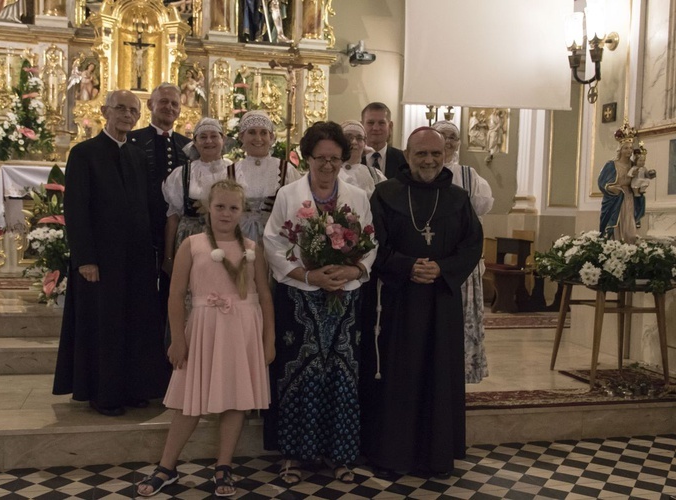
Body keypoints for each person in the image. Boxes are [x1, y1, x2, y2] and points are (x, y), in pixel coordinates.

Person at [137, 179, 275, 498]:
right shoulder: (193, 244)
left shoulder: (253, 249)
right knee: (189, 401)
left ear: (242, 211)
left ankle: (224, 465)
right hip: (203, 328)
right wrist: (178, 339)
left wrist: (269, 340)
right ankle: (167, 466)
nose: (226, 213)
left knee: (235, 399)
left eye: (233, 208)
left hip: (244, 331)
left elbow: (265, 295)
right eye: (220, 207)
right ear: (207, 208)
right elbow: (175, 294)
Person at [360, 127, 483, 477]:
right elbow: (373, 244)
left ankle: (436, 456)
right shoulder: (385, 194)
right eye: (421, 154)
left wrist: (441, 269)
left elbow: (472, 245)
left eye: (436, 154)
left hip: (442, 302)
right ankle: (392, 455)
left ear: (445, 156)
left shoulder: (458, 198)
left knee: (438, 376)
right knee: (400, 376)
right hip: (399, 301)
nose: (429, 161)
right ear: (408, 155)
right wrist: (407, 266)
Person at [263, 121, 376, 485]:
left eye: (335, 159)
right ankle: (294, 455)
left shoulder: (358, 197)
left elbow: (370, 244)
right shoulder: (288, 195)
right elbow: (274, 244)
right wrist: (310, 276)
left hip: (344, 299)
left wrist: (353, 270)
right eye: (320, 158)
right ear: (307, 157)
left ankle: (340, 455)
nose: (328, 166)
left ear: (344, 158)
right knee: (299, 375)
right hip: (300, 298)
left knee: (343, 375)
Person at [52, 90, 171, 416]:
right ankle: (103, 394)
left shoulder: (135, 155)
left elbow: (147, 207)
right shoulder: (84, 153)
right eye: (121, 109)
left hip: (136, 260)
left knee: (134, 324)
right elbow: (75, 209)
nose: (127, 115)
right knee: (105, 327)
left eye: (133, 111)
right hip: (101, 261)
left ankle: (133, 388)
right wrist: (85, 259)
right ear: (105, 111)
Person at [432, 120, 493, 384]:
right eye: (442, 135)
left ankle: (462, 370)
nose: (447, 141)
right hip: (432, 260)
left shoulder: (470, 176)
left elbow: (479, 212)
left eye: (453, 136)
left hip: (462, 264)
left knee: (462, 319)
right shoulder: (422, 171)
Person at [128, 83, 192, 334]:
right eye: (164, 102)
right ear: (150, 105)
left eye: (175, 103)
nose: (169, 107)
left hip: (177, 233)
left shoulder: (188, 146)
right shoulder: (133, 140)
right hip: (141, 228)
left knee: (172, 290)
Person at [162, 117, 232, 272]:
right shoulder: (182, 174)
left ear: (223, 139)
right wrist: (168, 257)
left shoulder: (235, 171)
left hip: (226, 239)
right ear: (194, 142)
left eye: (214, 136)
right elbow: (173, 218)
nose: (209, 141)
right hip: (190, 240)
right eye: (203, 137)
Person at [230, 110, 301, 242]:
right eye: (252, 132)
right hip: (238, 238)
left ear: (271, 137)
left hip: (277, 237)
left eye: (263, 133)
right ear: (241, 137)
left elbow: (298, 207)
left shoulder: (286, 170)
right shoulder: (230, 171)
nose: (258, 138)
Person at [598, 121, 644, 243]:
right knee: (616, 225)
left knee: (629, 224)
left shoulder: (634, 165)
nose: (629, 151)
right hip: (616, 199)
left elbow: (639, 181)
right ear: (620, 149)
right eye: (626, 148)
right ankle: (615, 246)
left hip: (629, 198)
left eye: (630, 148)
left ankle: (629, 245)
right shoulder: (611, 165)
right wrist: (611, 188)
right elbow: (602, 182)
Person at [338, 119, 386, 197]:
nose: (354, 142)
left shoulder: (375, 175)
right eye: (349, 137)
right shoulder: (331, 171)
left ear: (364, 143)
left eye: (359, 138)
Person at [361, 102, 406, 179]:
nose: (376, 128)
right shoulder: (352, 158)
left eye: (381, 123)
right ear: (361, 125)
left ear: (390, 126)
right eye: (370, 123)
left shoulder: (403, 160)